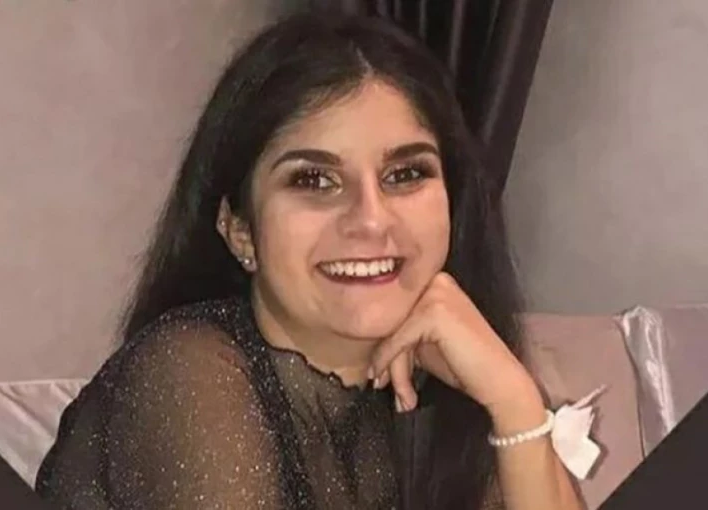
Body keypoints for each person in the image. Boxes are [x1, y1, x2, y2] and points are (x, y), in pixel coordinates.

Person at [35, 11, 584, 510]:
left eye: (405, 174)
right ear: (240, 229)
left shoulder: (433, 391)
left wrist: (513, 400)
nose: (371, 219)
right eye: (314, 180)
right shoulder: (184, 375)